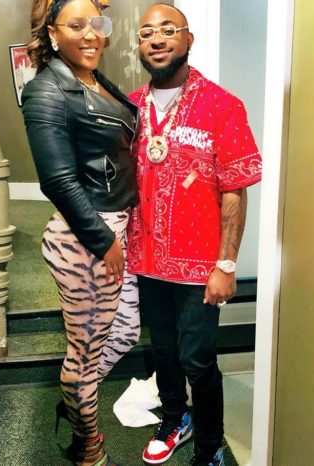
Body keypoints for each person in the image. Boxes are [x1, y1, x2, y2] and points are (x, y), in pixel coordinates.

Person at [127, 4, 263, 466]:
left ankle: (209, 446)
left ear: (189, 39)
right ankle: (174, 418)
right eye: (147, 33)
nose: (157, 39)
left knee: (199, 361)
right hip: (146, 260)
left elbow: (234, 191)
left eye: (168, 30)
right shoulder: (129, 107)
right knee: (162, 350)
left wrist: (226, 265)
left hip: (199, 267)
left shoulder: (222, 106)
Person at [21, 1, 140, 464]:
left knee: (125, 332)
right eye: (76, 25)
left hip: (114, 229)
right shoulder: (47, 89)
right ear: (53, 33)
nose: (91, 34)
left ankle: (75, 398)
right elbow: (57, 180)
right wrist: (104, 241)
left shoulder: (94, 80)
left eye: (97, 23)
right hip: (86, 239)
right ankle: (87, 445)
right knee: (85, 355)